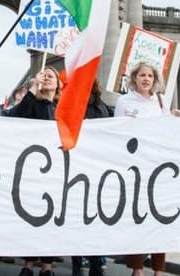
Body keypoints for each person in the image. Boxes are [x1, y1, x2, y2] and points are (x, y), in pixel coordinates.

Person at [114, 62, 180, 276]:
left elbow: (168, 132)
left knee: (160, 217)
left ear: (154, 79)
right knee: (137, 216)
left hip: (157, 166)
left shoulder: (160, 101)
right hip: (134, 166)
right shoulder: (124, 101)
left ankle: (159, 269)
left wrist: (174, 118)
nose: (146, 79)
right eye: (141, 75)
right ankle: (137, 268)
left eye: (149, 76)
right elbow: (114, 130)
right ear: (134, 78)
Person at [7, 66, 60, 276]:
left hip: (56, 171)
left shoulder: (61, 107)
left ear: (58, 84)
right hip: (33, 169)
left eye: (50, 76)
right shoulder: (32, 103)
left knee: (51, 220)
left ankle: (47, 266)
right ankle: (28, 264)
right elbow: (15, 116)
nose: (46, 78)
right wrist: (33, 89)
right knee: (33, 218)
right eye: (42, 76)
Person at [70, 80, 111, 276]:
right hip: (77, 170)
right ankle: (80, 260)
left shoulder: (101, 106)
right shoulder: (71, 103)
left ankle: (98, 259)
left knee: (98, 217)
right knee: (79, 217)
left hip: (99, 170)